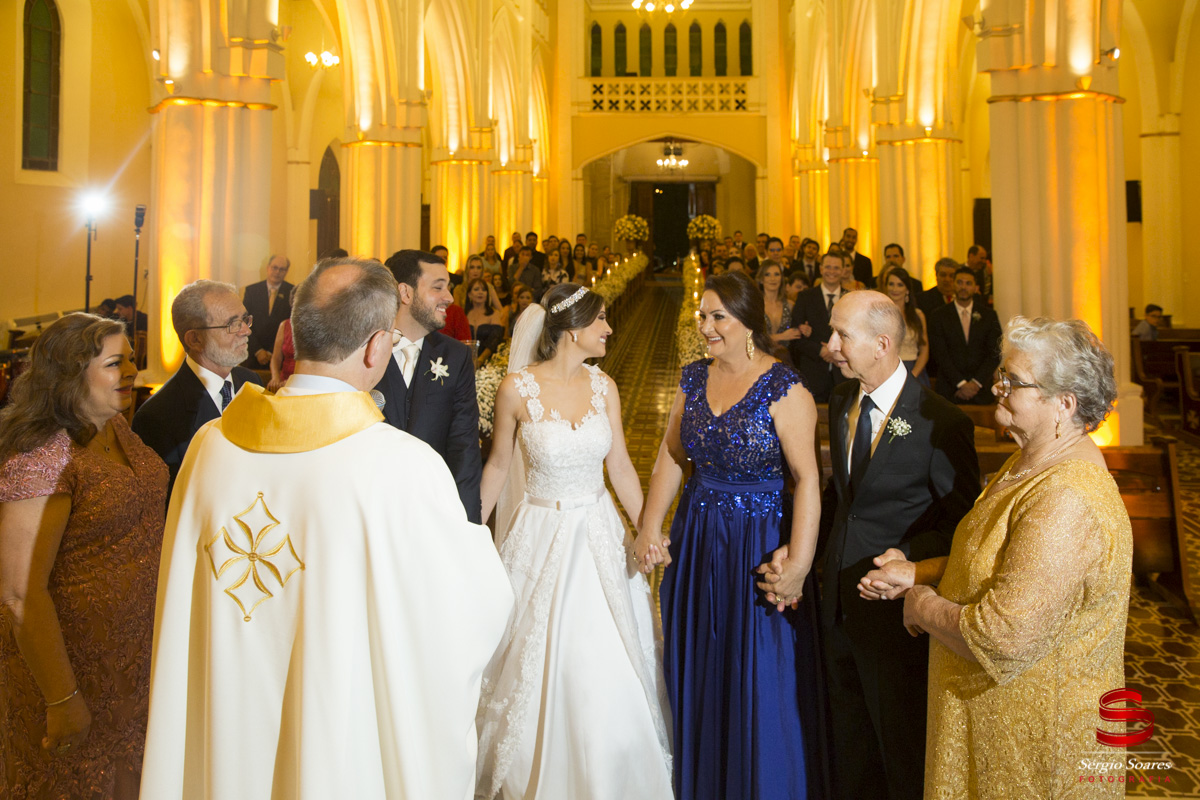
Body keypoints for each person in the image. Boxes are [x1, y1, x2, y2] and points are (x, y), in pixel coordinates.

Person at [140, 257, 513, 799]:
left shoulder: (210, 447)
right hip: (339, 748)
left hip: (226, 734)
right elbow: (467, 614)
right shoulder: (401, 465)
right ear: (375, 348)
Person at [864, 317, 1130, 799]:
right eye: (1000, 377)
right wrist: (917, 570)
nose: (998, 388)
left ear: (1063, 404)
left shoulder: (1067, 496)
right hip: (993, 727)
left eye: (1013, 382)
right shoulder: (1031, 458)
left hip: (1035, 747)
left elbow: (1002, 636)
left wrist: (922, 605)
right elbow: (993, 556)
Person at [769, 290, 977, 800]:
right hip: (835, 604)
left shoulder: (941, 422)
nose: (829, 346)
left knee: (899, 751)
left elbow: (963, 527)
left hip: (895, 620)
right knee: (848, 744)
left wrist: (909, 557)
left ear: (883, 344)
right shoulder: (842, 400)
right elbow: (843, 501)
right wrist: (798, 553)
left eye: (842, 335)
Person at [476, 283, 673, 800]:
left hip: (599, 534)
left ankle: (610, 771)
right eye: (601, 320)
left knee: (600, 658)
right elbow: (498, 464)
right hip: (539, 534)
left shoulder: (605, 386)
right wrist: (470, 533)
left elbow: (622, 466)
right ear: (571, 329)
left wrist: (646, 527)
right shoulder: (516, 389)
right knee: (536, 661)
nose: (610, 329)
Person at [641, 270, 828, 799]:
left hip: (758, 542)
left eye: (717, 316)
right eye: (703, 316)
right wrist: (651, 526)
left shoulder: (784, 387)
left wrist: (799, 563)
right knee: (700, 668)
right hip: (699, 538)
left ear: (748, 321)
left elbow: (807, 480)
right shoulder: (691, 379)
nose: (705, 326)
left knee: (756, 674)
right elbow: (673, 458)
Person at [0, 313, 167, 799]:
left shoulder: (119, 429)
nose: (133, 371)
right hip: (72, 664)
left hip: (133, 662)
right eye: (117, 363)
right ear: (72, 372)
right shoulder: (41, 455)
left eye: (133, 359)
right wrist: (62, 696)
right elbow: (17, 592)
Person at [374, 250, 484, 522]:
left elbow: (464, 450)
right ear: (405, 293)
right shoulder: (364, 350)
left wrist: (468, 527)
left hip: (433, 511)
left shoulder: (455, 357)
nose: (449, 298)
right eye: (438, 288)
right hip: (373, 509)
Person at [132, 280, 263, 494]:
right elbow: (165, 502)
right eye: (233, 324)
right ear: (195, 339)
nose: (246, 331)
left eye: (245, 319)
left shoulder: (252, 381)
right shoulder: (157, 416)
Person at [928, 267, 1002, 405]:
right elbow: (939, 353)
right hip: (949, 389)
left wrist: (975, 383)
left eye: (968, 283)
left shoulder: (989, 315)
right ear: (954, 284)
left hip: (981, 389)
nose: (963, 287)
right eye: (960, 282)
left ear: (975, 288)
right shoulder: (938, 315)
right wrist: (961, 383)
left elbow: (995, 352)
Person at [788, 252, 849, 403]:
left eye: (836, 268)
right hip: (813, 373)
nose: (832, 271)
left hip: (844, 374)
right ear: (821, 269)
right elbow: (796, 338)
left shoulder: (851, 298)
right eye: (828, 267)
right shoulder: (805, 297)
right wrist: (821, 350)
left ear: (843, 271)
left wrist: (836, 352)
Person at [241, 255, 293, 368]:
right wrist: (258, 351)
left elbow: (290, 326)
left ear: (286, 271)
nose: (277, 272)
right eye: (274, 267)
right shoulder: (252, 291)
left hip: (279, 358)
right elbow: (244, 322)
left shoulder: (293, 292)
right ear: (268, 267)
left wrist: (271, 352)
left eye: (282, 269)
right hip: (251, 355)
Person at [882, 268, 930, 387]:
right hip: (885, 372)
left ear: (907, 289)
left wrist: (912, 375)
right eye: (891, 284)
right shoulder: (879, 314)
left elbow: (924, 350)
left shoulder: (918, 315)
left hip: (913, 371)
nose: (895, 289)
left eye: (900, 285)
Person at [759, 260, 800, 360]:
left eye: (776, 274)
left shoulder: (790, 305)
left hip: (786, 361)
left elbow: (798, 333)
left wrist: (804, 328)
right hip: (759, 359)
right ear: (761, 279)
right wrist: (781, 336)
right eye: (767, 274)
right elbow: (749, 337)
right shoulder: (754, 305)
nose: (772, 278)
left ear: (781, 278)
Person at [463, 278, 506, 364]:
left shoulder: (494, 314)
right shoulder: (464, 314)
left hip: (488, 362)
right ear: (469, 295)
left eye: (484, 290)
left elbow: (494, 339)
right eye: (476, 289)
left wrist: (481, 359)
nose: (480, 292)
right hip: (464, 361)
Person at [268, 317, 296, 391]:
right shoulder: (285, 325)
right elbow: (275, 358)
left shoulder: (320, 324)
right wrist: (275, 377)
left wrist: (293, 382)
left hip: (303, 382)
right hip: (283, 381)